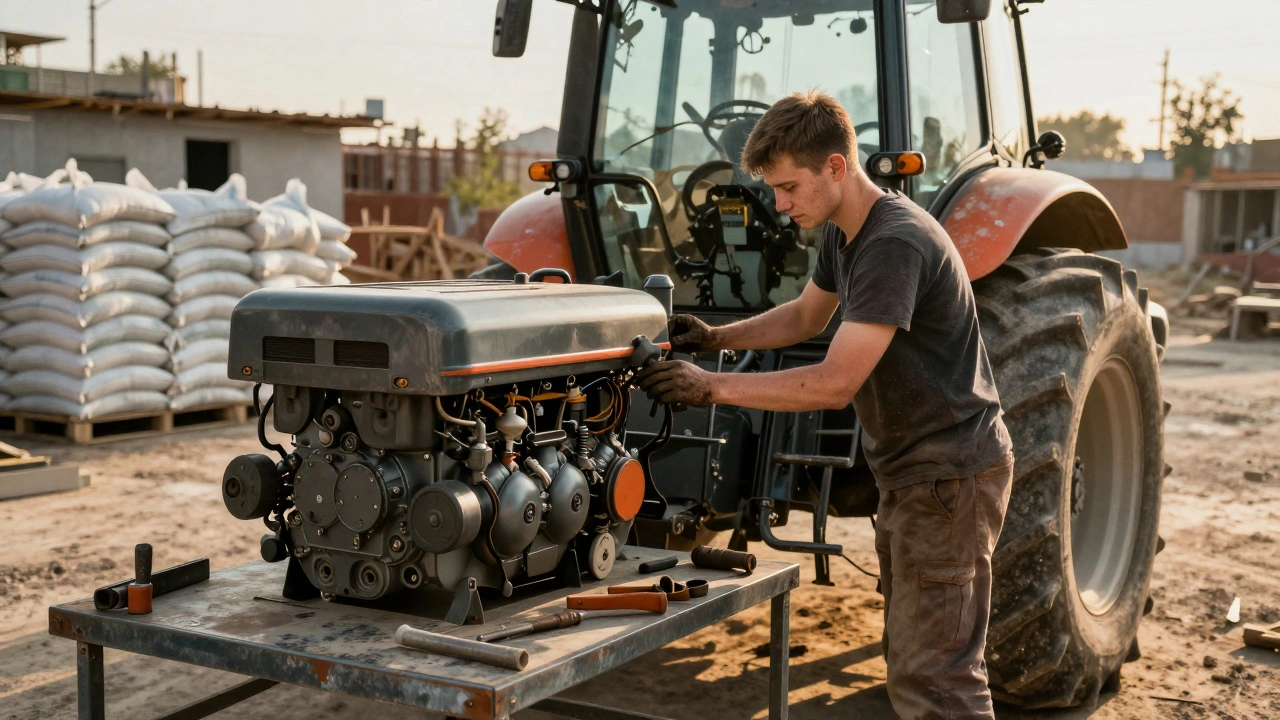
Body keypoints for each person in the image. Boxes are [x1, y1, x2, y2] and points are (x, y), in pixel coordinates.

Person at [636, 90, 1014, 720]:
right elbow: (808, 316)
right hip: (913, 474)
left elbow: (835, 382)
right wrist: (717, 338)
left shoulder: (895, 243)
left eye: (788, 188)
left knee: (939, 682)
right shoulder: (846, 234)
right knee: (915, 661)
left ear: (837, 167)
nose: (779, 205)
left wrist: (713, 386)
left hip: (949, 478)